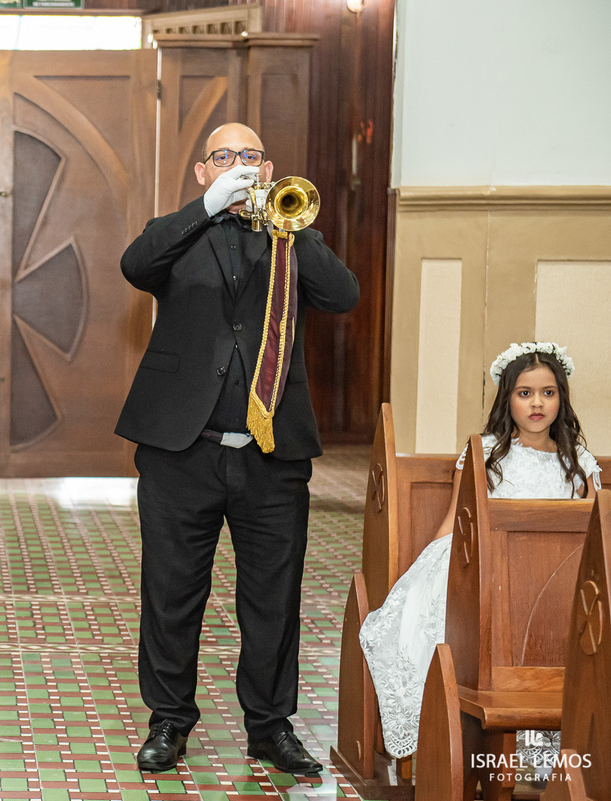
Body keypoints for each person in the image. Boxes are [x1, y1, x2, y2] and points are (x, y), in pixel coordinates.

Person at [117, 122, 359, 774]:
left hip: (272, 454)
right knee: (171, 594)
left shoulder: (291, 232)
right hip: (180, 449)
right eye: (224, 157)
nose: (237, 165)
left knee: (273, 598)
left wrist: (292, 228)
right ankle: (169, 720)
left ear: (268, 168)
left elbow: (342, 295)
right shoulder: (176, 232)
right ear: (203, 171)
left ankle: (270, 726)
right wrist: (205, 208)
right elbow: (136, 265)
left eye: (249, 156)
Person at [359, 342, 600, 767]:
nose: (537, 403)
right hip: (489, 569)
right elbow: (456, 522)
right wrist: (424, 571)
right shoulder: (485, 453)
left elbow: (593, 533)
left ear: (561, 398)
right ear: (508, 398)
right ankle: (447, 733)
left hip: (552, 579)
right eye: (525, 393)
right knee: (431, 611)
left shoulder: (578, 461)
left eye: (548, 393)